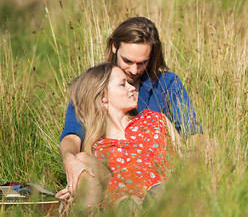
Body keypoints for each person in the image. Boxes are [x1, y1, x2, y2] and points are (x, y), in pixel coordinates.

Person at [58, 17, 199, 201]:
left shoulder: (166, 85)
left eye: (142, 63)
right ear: (115, 48)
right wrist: (70, 161)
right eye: (128, 61)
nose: (134, 70)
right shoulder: (94, 86)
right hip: (114, 174)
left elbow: (192, 133)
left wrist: (199, 155)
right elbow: (72, 137)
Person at [56, 62, 180, 207]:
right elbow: (71, 143)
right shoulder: (97, 148)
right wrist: (74, 187)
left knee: (160, 193)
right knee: (126, 203)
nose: (132, 88)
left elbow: (184, 157)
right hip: (122, 208)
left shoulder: (156, 120)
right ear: (103, 97)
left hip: (167, 198)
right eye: (123, 84)